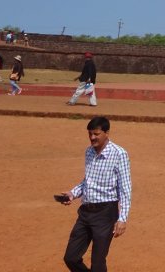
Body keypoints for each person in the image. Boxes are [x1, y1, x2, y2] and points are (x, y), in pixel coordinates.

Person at [60, 116, 132, 272]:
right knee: (71, 257)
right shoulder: (89, 152)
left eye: (96, 134)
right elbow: (87, 182)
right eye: (90, 134)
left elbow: (125, 188)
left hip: (106, 213)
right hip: (85, 212)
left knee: (98, 263)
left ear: (106, 133)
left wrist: (122, 219)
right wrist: (73, 194)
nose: (92, 138)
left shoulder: (119, 154)